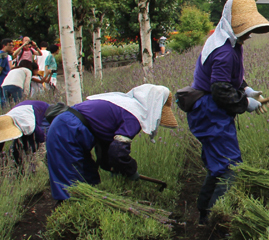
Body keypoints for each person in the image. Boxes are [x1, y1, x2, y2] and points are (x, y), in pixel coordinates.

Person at [185, 0, 269, 225]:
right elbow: (221, 91)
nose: (248, 34)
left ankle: (204, 213)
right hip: (210, 112)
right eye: (244, 28)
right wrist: (246, 103)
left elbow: (228, 81)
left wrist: (246, 89)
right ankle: (218, 219)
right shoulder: (224, 51)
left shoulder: (227, 41)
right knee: (230, 167)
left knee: (217, 166)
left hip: (209, 110)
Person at [45, 84, 177, 203]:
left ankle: (82, 217)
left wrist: (113, 167)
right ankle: (66, 222)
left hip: (67, 127)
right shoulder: (133, 115)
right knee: (73, 185)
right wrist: (130, 170)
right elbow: (118, 151)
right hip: (66, 132)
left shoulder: (123, 104)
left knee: (90, 179)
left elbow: (106, 143)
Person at [0, 100, 50, 170]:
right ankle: (20, 170)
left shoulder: (28, 125)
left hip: (42, 112)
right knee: (17, 151)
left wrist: (38, 158)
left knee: (31, 146)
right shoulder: (2, 124)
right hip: (21, 113)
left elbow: (43, 140)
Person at [0, 38, 12, 106]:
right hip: (2, 81)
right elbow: (0, 69)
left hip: (0, 81)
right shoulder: (4, 55)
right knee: (4, 101)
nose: (12, 47)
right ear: (4, 45)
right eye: (10, 45)